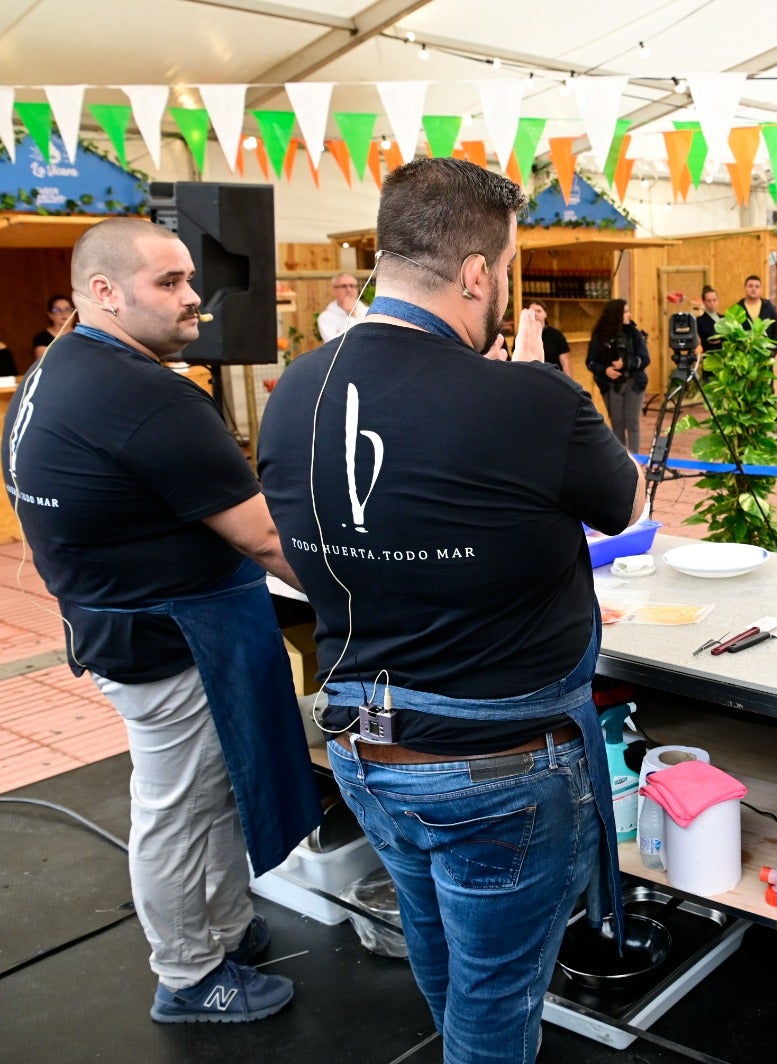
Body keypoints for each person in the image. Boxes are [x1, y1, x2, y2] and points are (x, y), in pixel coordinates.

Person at [257, 157, 644, 1063]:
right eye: (505, 268)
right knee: (496, 998)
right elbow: (626, 503)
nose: (504, 287)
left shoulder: (296, 390)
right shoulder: (528, 397)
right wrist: (544, 386)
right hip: (498, 767)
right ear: (476, 273)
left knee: (441, 958)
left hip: (364, 746)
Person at [3, 217, 316, 1024]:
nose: (193, 300)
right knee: (179, 809)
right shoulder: (146, 396)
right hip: (173, 641)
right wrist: (370, 606)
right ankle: (187, 973)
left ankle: (223, 928)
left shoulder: (55, 369)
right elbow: (265, 539)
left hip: (118, 623)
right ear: (104, 292)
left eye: (190, 281)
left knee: (212, 794)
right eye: (168, 283)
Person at [586, 298, 651, 453]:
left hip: (634, 383)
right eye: (625, 312)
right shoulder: (600, 335)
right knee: (617, 424)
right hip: (611, 385)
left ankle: (635, 459)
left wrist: (626, 363)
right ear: (616, 315)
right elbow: (590, 362)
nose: (629, 315)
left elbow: (645, 359)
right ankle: (621, 460)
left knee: (632, 423)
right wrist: (605, 370)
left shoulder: (634, 333)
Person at [512, 301, 570, 373]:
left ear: (545, 314)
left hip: (553, 376)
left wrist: (568, 379)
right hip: (530, 375)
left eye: (538, 311)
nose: (535, 314)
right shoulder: (521, 335)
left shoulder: (556, 334)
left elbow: (565, 363)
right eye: (532, 311)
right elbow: (515, 361)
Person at [317, 273, 368, 341]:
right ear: (334, 290)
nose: (349, 290)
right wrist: (351, 316)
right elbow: (333, 343)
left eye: (352, 286)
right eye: (344, 286)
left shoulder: (368, 312)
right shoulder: (326, 317)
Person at [734, 274, 777, 346]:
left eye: (757, 287)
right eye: (750, 286)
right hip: (743, 350)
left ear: (761, 289)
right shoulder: (737, 309)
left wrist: (773, 350)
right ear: (745, 288)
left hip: (765, 350)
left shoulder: (769, 307)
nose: (754, 289)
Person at [32, 292, 76, 364]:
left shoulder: (83, 334)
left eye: (67, 309)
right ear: (50, 315)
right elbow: (45, 365)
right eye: (57, 310)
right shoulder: (42, 339)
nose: (63, 313)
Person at [695, 285, 723, 358]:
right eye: (709, 300)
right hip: (710, 357)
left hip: (725, 357)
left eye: (714, 300)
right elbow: (711, 337)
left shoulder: (724, 318)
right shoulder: (700, 321)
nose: (712, 303)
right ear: (704, 302)